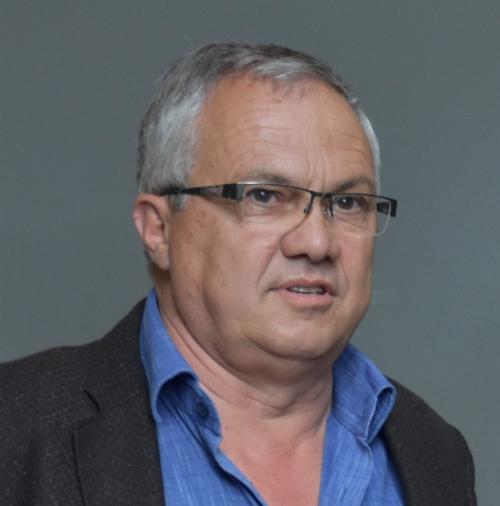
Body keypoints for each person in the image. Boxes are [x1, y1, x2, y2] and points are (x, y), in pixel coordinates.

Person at [0, 42, 476, 506]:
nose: (317, 243)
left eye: (348, 203)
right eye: (264, 196)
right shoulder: (17, 427)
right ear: (159, 229)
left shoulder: (432, 452)